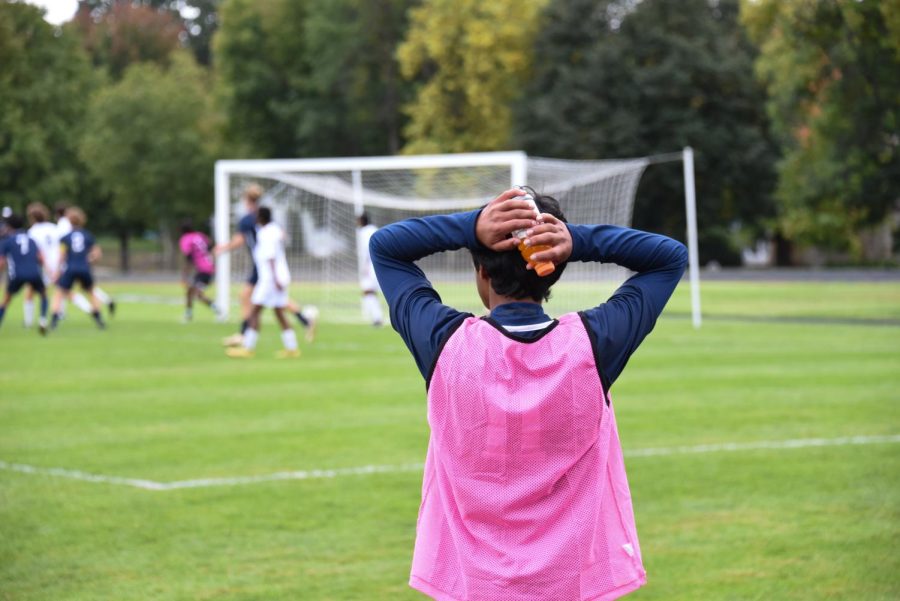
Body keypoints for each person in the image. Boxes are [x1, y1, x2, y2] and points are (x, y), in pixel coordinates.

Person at [369, 187, 688, 601]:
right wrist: (576, 241)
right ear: (552, 268)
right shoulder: (593, 344)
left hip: (476, 586)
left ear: (481, 270)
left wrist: (471, 226)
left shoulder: (445, 344)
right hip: (568, 586)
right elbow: (668, 257)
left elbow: (386, 248)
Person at [214, 184, 315, 345]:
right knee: (277, 302)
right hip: (267, 266)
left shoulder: (248, 219)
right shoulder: (265, 217)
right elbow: (282, 235)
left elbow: (239, 240)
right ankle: (304, 323)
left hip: (263, 266)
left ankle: (244, 335)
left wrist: (222, 248)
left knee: (250, 298)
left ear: (247, 200)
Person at [226, 207, 299, 359]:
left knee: (254, 312)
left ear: (261, 218)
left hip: (270, 279)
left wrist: (275, 278)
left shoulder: (266, 234)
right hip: (280, 276)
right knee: (279, 312)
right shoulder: (274, 229)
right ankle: (292, 348)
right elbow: (282, 236)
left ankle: (247, 347)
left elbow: (270, 257)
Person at [54, 203, 115, 319]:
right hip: (84, 267)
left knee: (60, 292)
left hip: (70, 267)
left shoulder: (65, 236)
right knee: (90, 291)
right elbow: (97, 253)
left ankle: (54, 319)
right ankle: (100, 318)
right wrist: (89, 259)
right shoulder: (87, 235)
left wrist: (57, 270)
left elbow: (61, 255)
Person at [0, 214, 49, 335]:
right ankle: (42, 319)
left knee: (6, 300)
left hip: (17, 274)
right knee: (43, 295)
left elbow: (1, 261)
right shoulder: (32, 239)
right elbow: (41, 258)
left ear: (9, 226)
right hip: (34, 272)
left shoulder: (7, 241)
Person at [22, 203, 58, 328]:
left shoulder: (32, 231)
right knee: (55, 291)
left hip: (41, 265)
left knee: (30, 291)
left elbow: (35, 251)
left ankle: (28, 321)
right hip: (55, 264)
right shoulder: (54, 227)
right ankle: (46, 318)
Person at [178, 221, 220, 322]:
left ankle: (217, 309)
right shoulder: (200, 235)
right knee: (190, 292)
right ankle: (188, 315)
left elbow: (189, 258)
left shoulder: (186, 239)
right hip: (207, 268)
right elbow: (210, 247)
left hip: (204, 270)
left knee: (197, 294)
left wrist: (184, 275)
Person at [356, 212, 385, 327]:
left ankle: (378, 318)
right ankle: (377, 318)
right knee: (368, 291)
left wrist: (364, 266)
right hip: (380, 263)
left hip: (371, 266)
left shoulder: (363, 232)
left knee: (371, 291)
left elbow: (365, 250)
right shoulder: (375, 229)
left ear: (361, 221)